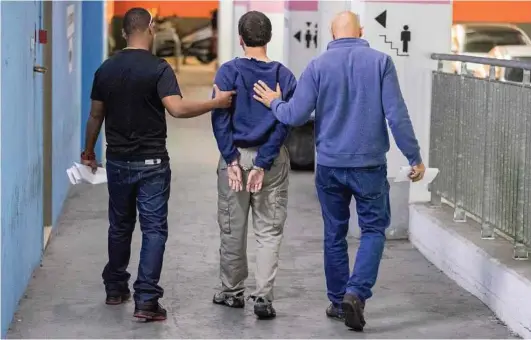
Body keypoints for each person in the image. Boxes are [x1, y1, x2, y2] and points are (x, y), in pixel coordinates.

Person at [252, 11, 426, 331]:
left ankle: (337, 301)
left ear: (331, 36)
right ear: (360, 31)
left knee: (334, 232)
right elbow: (397, 116)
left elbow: (295, 114)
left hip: (330, 166)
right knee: (373, 230)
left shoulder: (318, 66)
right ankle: (356, 293)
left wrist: (275, 102)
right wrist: (415, 157)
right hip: (369, 166)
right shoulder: (380, 63)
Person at [81, 7, 234, 321]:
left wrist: (88, 151)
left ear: (123, 33)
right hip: (151, 163)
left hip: (119, 161)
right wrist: (215, 103)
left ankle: (115, 288)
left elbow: (96, 115)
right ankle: (147, 301)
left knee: (120, 225)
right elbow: (177, 109)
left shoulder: (105, 69)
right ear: (150, 29)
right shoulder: (159, 68)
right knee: (153, 230)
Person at [210, 10, 297, 319]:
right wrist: (262, 162)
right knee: (268, 230)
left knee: (233, 228)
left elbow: (220, 119)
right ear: (269, 38)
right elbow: (284, 124)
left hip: (234, 157)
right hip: (271, 161)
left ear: (241, 38)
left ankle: (233, 293)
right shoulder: (284, 76)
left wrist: (232, 159)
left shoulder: (227, 72)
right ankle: (263, 298)